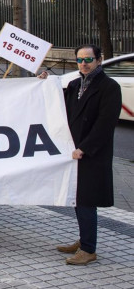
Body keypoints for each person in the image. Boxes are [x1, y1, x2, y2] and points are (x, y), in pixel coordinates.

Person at [56, 44, 121, 265]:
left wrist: (85, 148)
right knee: (77, 197)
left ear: (99, 60)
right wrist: (43, 82)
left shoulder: (109, 87)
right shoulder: (74, 84)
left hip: (91, 153)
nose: (84, 64)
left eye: (88, 59)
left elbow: (106, 123)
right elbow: (58, 106)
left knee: (86, 199)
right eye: (80, 60)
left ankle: (88, 249)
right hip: (74, 151)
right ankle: (84, 239)